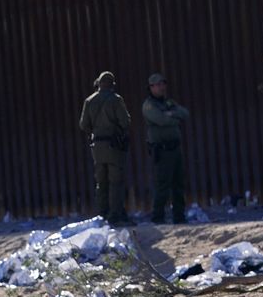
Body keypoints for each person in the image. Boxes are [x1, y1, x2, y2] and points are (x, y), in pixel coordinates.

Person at [79, 71, 133, 226]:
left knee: (101, 181)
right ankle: (115, 216)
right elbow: (125, 122)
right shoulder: (116, 100)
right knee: (116, 181)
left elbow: (83, 125)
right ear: (112, 84)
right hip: (114, 145)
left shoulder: (89, 101)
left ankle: (102, 214)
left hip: (97, 147)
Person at [142, 73, 190, 224]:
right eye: (158, 84)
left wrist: (170, 113)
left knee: (179, 184)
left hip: (175, 148)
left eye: (163, 83)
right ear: (151, 87)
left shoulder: (168, 102)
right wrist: (172, 117)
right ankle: (158, 218)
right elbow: (161, 120)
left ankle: (179, 217)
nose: (162, 87)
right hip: (162, 150)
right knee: (162, 185)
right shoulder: (149, 105)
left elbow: (185, 113)